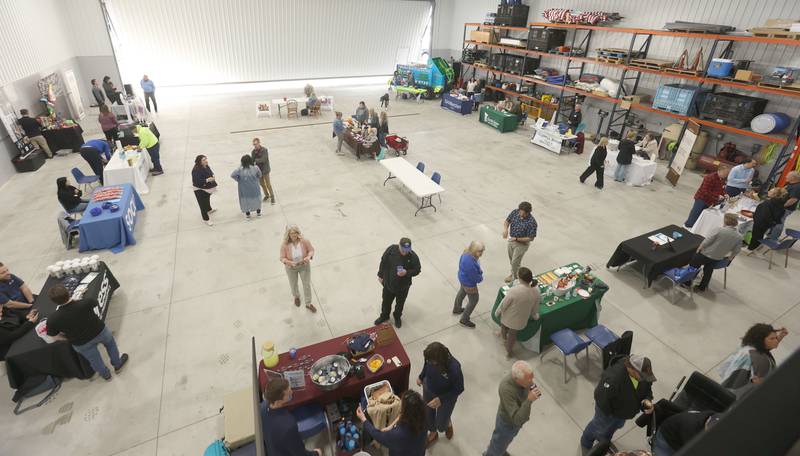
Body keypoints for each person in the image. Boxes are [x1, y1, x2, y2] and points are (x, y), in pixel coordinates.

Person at [46, 285, 129, 381]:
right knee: (111, 346)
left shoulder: (52, 319)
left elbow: (55, 337)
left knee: (94, 360)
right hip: (99, 332)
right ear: (68, 293)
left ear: (53, 301)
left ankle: (106, 375)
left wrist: (68, 338)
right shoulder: (86, 302)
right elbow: (95, 303)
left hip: (80, 343)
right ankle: (117, 364)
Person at [580, 355, 655, 453]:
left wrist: (647, 399)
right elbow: (601, 398)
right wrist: (609, 415)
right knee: (597, 427)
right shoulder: (613, 378)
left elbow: (648, 387)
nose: (643, 379)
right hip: (608, 414)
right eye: (642, 376)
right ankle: (586, 443)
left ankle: (604, 440)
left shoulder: (642, 375)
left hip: (623, 414)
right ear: (631, 369)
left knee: (614, 427)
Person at [483, 361, 542, 456]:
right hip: (507, 423)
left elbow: (530, 383)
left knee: (502, 442)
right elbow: (517, 419)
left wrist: (533, 388)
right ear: (516, 379)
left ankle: (500, 450)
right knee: (497, 446)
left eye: (532, 378)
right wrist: (529, 400)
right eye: (528, 380)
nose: (531, 382)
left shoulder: (523, 378)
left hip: (513, 421)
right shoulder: (506, 389)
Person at [416, 342, 464, 447]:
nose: (429, 362)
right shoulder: (430, 357)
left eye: (432, 361)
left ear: (440, 360)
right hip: (429, 389)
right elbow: (426, 365)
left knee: (441, 425)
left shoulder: (454, 368)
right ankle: (433, 433)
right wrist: (421, 376)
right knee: (428, 415)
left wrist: (441, 399)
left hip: (446, 397)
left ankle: (447, 422)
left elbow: (459, 388)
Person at [719, 323, 788, 393]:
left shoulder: (746, 346)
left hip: (725, 387)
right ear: (760, 340)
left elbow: (763, 349)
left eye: (776, 338)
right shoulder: (762, 361)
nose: (776, 341)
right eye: (772, 339)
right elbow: (759, 383)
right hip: (739, 397)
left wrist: (780, 336)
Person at [261, 377, 322, 456]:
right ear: (279, 401)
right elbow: (300, 454)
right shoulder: (288, 426)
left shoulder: (262, 407)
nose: (292, 392)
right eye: (289, 393)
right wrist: (316, 453)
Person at [356, 390, 427, 456]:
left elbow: (377, 435)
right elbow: (401, 415)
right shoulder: (422, 417)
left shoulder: (397, 435)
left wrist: (363, 419)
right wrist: (391, 426)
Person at [683, 213, 742, 291]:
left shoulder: (719, 230)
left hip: (706, 254)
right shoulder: (739, 236)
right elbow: (737, 250)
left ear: (726, 221)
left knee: (694, 265)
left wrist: (700, 248)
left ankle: (687, 282)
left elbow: (708, 240)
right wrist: (730, 258)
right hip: (718, 258)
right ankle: (702, 286)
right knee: (708, 271)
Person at [375, 237, 421, 328]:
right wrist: (380, 275)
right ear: (399, 245)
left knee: (400, 304)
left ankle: (397, 317)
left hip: (403, 287)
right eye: (403, 250)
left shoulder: (413, 256)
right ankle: (384, 316)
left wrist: (406, 272)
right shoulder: (391, 249)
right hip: (389, 283)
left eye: (407, 250)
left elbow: (417, 270)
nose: (405, 252)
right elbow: (383, 261)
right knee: (386, 302)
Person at [496, 267, 540, 358]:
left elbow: (504, 305)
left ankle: (504, 339)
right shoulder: (536, 291)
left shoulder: (514, 290)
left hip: (508, 318)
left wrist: (499, 312)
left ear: (519, 278)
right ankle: (509, 351)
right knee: (512, 335)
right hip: (521, 320)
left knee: (504, 327)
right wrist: (535, 316)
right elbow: (535, 309)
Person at [279, 225, 316, 312]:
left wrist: (309, 256)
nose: (294, 236)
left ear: (298, 233)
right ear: (288, 234)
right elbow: (282, 258)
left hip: (304, 265)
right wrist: (290, 262)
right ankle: (296, 296)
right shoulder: (284, 245)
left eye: (295, 233)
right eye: (292, 234)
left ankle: (308, 303)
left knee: (306, 285)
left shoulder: (305, 241)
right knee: (293, 284)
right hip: (291, 268)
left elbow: (311, 250)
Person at [652, 411, 721, 456]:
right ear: (708, 420)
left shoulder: (713, 416)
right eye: (709, 428)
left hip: (681, 439)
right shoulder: (691, 425)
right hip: (666, 441)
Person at [502, 201, 538, 283]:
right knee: (513, 261)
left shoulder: (532, 222)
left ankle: (516, 280)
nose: (520, 214)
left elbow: (531, 238)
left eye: (523, 213)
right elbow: (507, 221)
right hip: (512, 240)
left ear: (528, 213)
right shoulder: (515, 212)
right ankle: (514, 274)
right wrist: (505, 230)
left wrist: (517, 239)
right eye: (520, 211)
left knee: (515, 262)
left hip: (522, 244)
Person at [453, 241, 484, 328]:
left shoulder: (466, 252)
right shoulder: (469, 262)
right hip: (469, 283)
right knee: (474, 300)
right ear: (474, 250)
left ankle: (457, 308)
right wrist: (480, 276)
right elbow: (475, 278)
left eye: (482, 251)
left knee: (462, 291)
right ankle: (464, 319)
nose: (481, 253)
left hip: (462, 277)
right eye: (479, 251)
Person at [748, 187, 788, 251]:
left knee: (756, 235)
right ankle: (756, 246)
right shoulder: (780, 202)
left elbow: (765, 214)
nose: (768, 191)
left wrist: (755, 216)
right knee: (760, 234)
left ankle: (751, 248)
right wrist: (772, 222)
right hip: (768, 223)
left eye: (771, 191)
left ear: (774, 194)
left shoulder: (768, 203)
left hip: (761, 222)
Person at [767, 171, 800, 240]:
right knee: (775, 220)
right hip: (781, 207)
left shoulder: (797, 187)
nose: (786, 176)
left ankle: (773, 238)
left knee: (779, 222)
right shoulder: (791, 183)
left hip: (786, 209)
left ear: (793, 178)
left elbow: (793, 200)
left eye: (788, 176)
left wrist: (782, 206)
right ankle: (770, 234)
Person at [231, 155, 262, 219]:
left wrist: (239, 180)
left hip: (244, 189)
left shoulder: (240, 169)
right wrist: (255, 179)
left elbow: (232, 175)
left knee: (245, 201)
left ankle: (248, 214)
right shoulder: (255, 168)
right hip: (254, 187)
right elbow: (260, 175)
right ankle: (258, 212)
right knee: (257, 199)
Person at [191, 155, 217, 226]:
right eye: (203, 160)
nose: (206, 161)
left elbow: (210, 171)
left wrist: (213, 175)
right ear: (199, 161)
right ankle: (206, 219)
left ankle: (209, 210)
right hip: (199, 189)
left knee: (207, 199)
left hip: (207, 187)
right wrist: (207, 179)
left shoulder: (206, 165)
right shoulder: (196, 170)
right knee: (202, 205)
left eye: (206, 159)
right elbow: (197, 181)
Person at [251, 137, 275, 204]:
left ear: (259, 143)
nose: (255, 146)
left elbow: (263, 159)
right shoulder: (253, 152)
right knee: (261, 184)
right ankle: (266, 195)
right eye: (254, 144)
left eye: (256, 144)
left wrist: (256, 160)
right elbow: (252, 161)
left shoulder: (264, 150)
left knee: (268, 184)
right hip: (259, 171)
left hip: (265, 170)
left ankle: (272, 196)